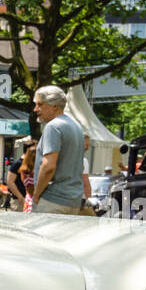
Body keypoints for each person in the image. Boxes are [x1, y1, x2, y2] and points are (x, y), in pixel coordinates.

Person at [29, 85, 86, 214]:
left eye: (40, 104)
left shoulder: (53, 127)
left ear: (55, 106)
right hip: (73, 200)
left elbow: (48, 167)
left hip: (53, 201)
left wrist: (36, 195)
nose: (35, 109)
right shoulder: (76, 126)